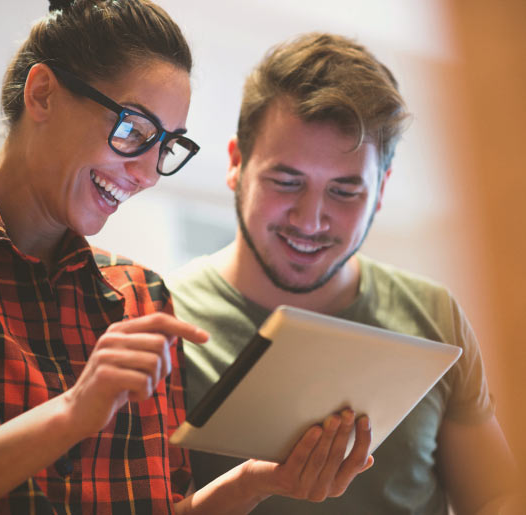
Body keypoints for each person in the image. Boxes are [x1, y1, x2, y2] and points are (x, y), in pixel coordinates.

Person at [0, 4, 373, 513]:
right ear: (41, 94)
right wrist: (69, 413)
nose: (148, 172)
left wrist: (256, 481)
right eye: (134, 130)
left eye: (167, 146)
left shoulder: (140, 297)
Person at [168, 33, 519, 514]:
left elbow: (498, 496)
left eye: (344, 191)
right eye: (286, 181)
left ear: (381, 190)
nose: (310, 220)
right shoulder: (161, 319)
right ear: (236, 164)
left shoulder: (434, 315)